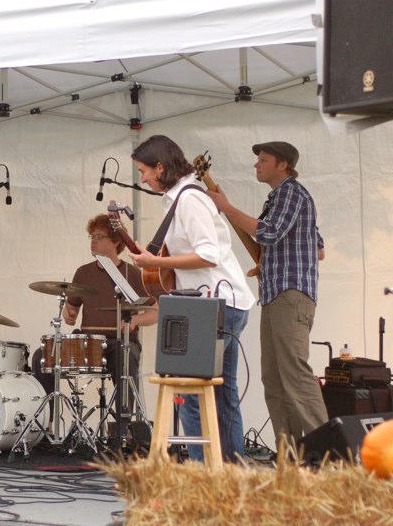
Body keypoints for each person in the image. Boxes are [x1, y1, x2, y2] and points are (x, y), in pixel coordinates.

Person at [128, 135, 255, 462]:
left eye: (143, 171)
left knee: (190, 390)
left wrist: (156, 262)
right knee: (222, 395)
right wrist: (156, 259)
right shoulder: (179, 198)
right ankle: (229, 471)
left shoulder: (189, 199)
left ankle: (204, 473)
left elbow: (209, 255)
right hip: (223, 304)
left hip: (217, 306)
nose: (141, 178)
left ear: (160, 167)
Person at [207, 141, 327, 451]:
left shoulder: (291, 193)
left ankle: (326, 457)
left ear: (282, 165)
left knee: (294, 376)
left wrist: (228, 209)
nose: (256, 165)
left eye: (263, 160)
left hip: (290, 295)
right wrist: (270, 262)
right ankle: (291, 457)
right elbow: (319, 249)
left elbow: (270, 233)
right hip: (278, 295)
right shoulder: (280, 198)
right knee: (274, 381)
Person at [31, 214, 157, 429]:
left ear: (116, 241)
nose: (93, 240)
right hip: (88, 342)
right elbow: (72, 309)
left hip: (119, 341)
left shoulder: (132, 273)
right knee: (42, 356)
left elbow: (156, 311)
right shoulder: (83, 272)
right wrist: (69, 313)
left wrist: (134, 320)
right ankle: (48, 423)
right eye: (91, 236)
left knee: (125, 356)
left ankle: (123, 428)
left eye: (99, 236)